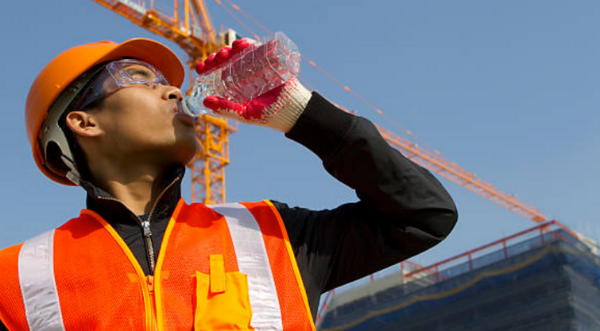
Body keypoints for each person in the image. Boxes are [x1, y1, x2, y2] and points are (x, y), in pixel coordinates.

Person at [0, 37, 457, 330]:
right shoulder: (14, 278)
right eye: (140, 78)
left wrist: (303, 116)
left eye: (169, 82)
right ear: (82, 122)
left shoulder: (275, 235)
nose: (175, 91)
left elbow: (423, 215)